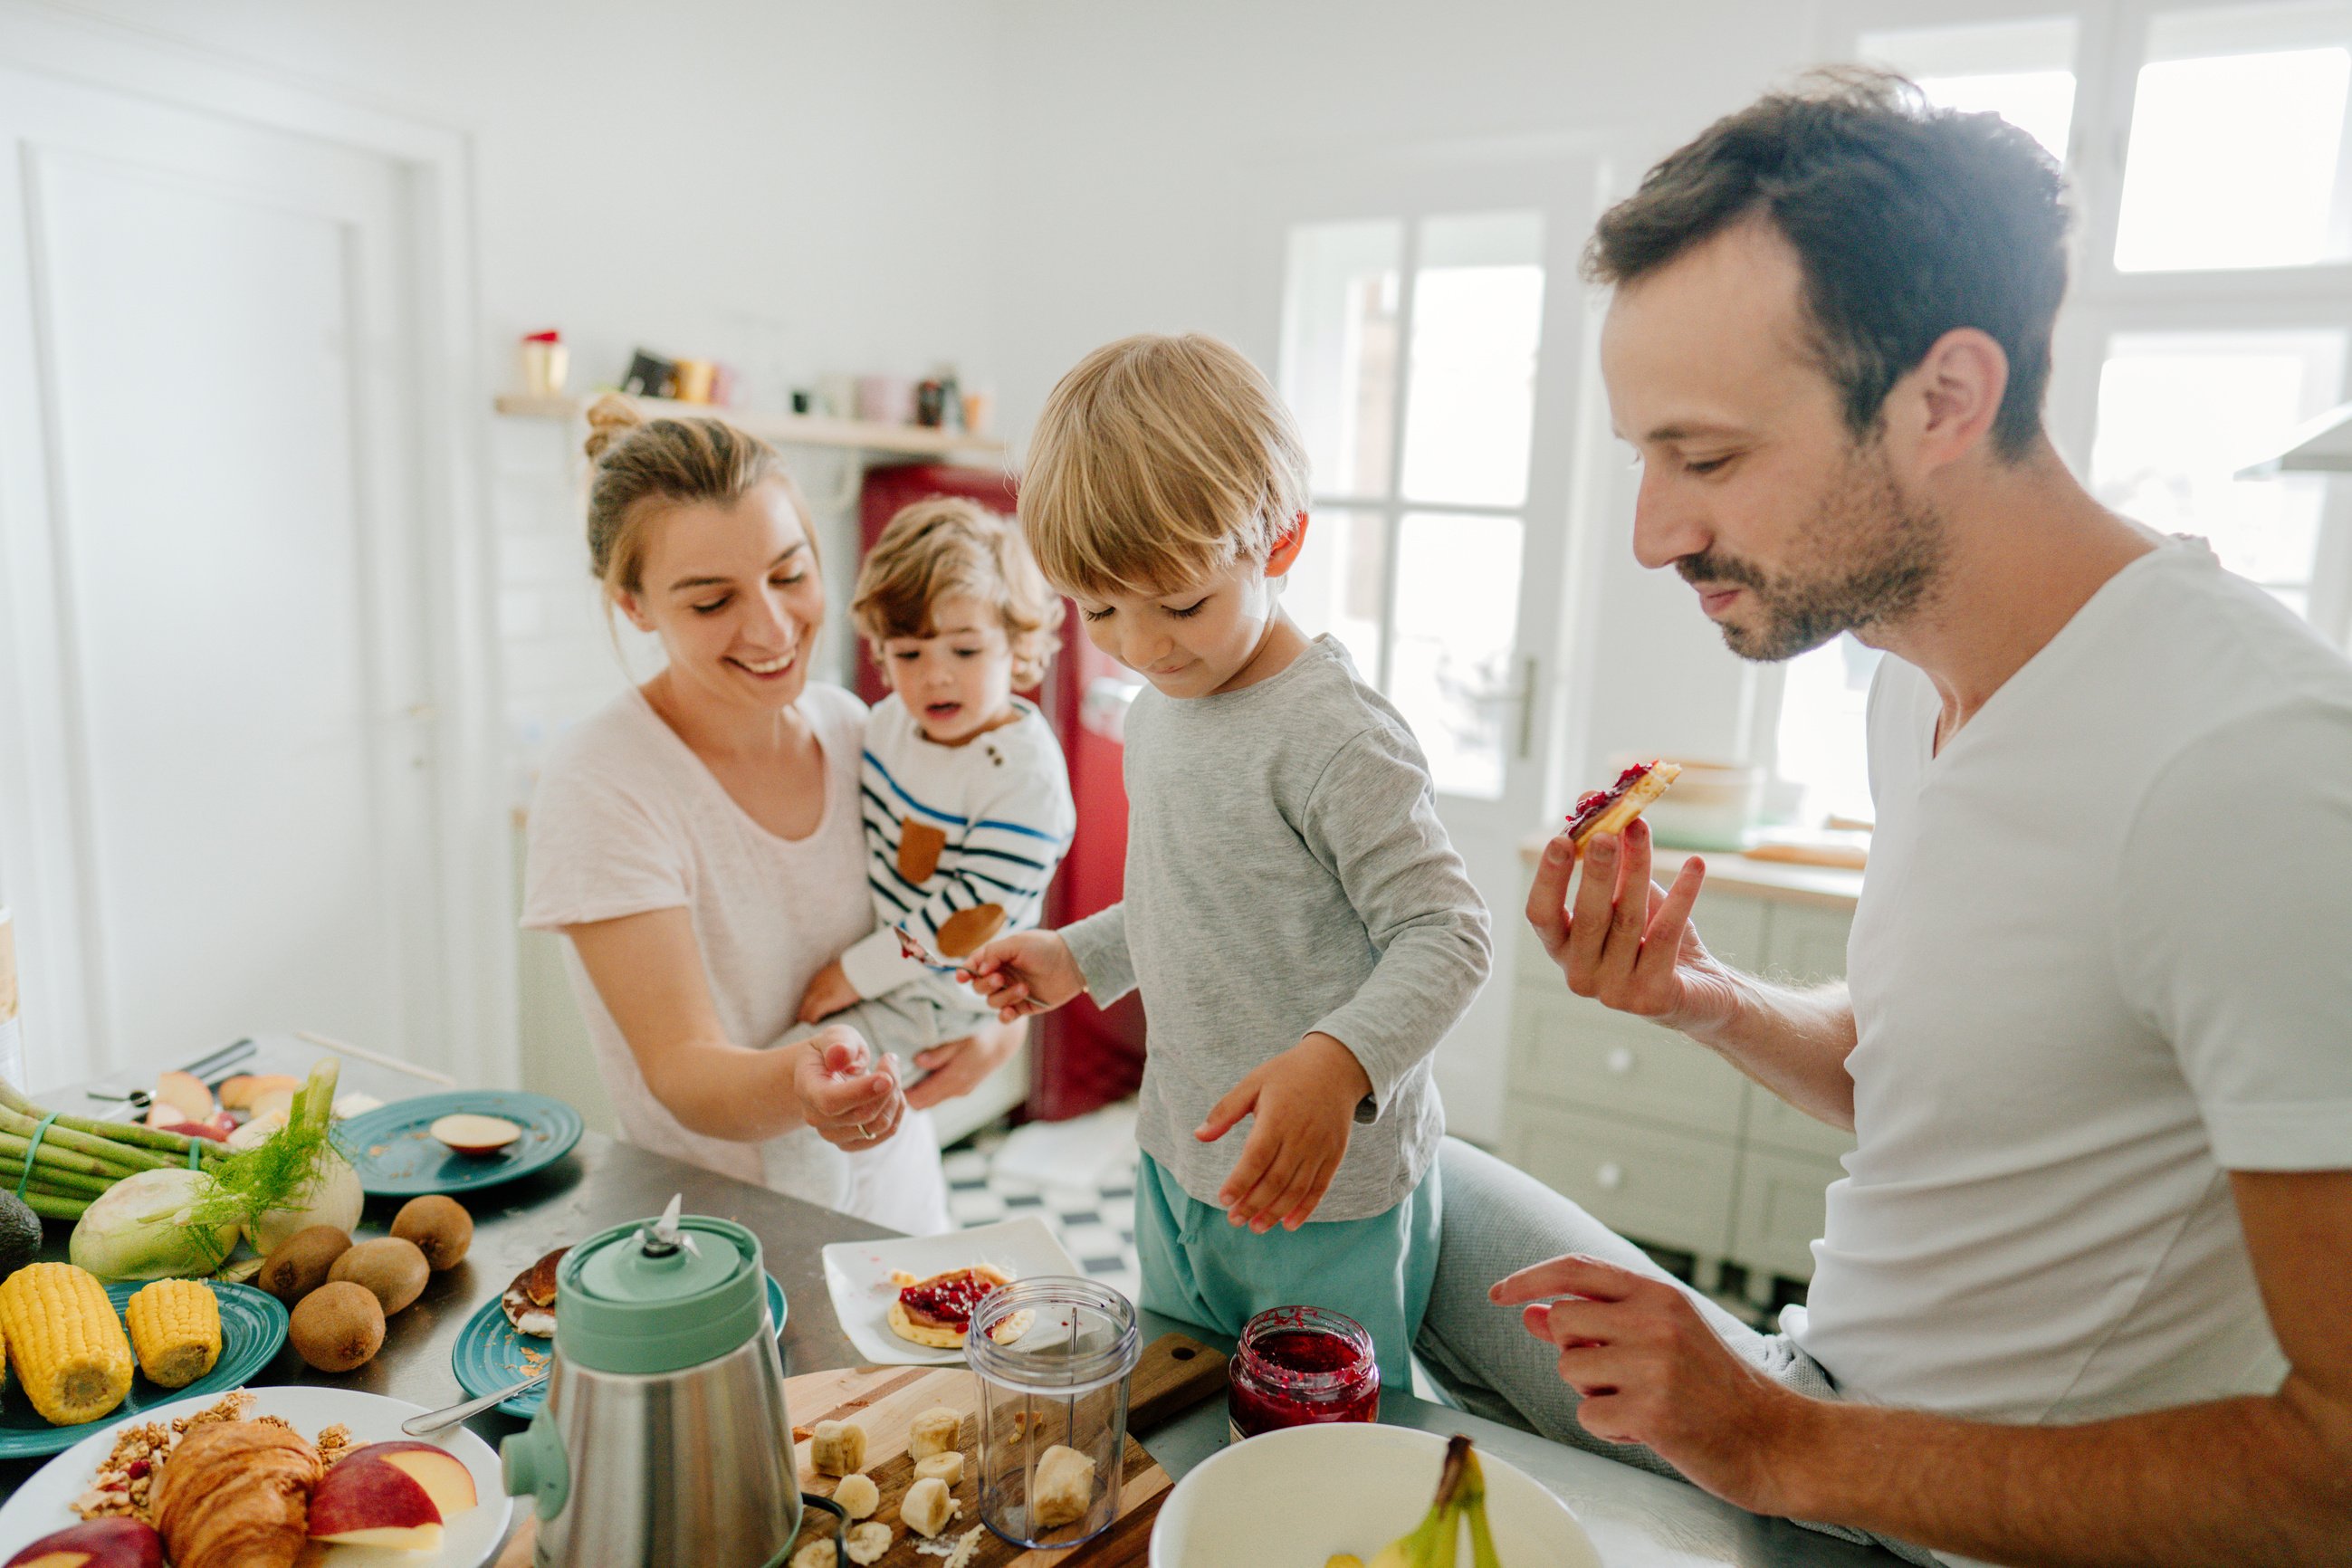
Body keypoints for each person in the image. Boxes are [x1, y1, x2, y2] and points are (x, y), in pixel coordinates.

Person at [1413, 72, 2352, 1567]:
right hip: (1813, 1413)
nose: (1654, 530)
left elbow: (2330, 1474)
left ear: (1941, 401)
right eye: (1643, 457)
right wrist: (1705, 1001)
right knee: (1390, 1165)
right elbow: (1944, 1076)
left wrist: (1775, 1446)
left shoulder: (2250, 767)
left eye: (1705, 459)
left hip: (1928, 1524)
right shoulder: (1906, 682)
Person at [962, 333, 1493, 1391]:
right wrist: (1076, 957)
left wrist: (1338, 1062)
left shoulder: (1336, 735)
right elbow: (1192, 901)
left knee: (1327, 1451)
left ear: (1280, 541)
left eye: (1183, 604)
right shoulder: (1164, 712)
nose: (1144, 646)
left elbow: (1451, 935)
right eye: (1100, 609)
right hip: (1178, 1159)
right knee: (1192, 1406)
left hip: (1325, 1189)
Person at [521, 397, 1020, 1234]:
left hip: (899, 1218)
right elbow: (680, 1069)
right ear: (636, 606)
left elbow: (958, 925)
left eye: (790, 574)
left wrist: (993, 1035)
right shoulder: (604, 781)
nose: (772, 625)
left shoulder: (863, 730)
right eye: (711, 601)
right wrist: (801, 1084)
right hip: (723, 1244)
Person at [789, 497, 1076, 1153]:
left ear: (1018, 645)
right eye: (910, 652)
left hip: (946, 996)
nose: (935, 674)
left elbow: (965, 921)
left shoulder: (1024, 777)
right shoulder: (889, 724)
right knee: (809, 1093)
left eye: (966, 649)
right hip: (893, 970)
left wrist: (854, 972)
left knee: (808, 1095)